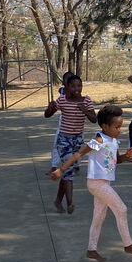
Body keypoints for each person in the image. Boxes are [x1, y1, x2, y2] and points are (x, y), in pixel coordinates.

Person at [51, 105, 132, 262]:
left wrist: (126, 156)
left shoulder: (113, 140)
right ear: (104, 126)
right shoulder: (98, 140)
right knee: (121, 209)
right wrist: (61, 169)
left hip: (104, 183)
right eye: (116, 127)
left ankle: (92, 250)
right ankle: (128, 244)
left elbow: (117, 161)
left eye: (120, 127)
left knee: (99, 217)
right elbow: (78, 153)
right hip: (96, 183)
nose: (119, 130)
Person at [44, 74, 97, 214]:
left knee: (67, 171)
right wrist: (50, 108)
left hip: (78, 140)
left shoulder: (86, 101)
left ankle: (57, 200)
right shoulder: (62, 100)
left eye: (79, 86)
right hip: (64, 140)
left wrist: (85, 110)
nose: (76, 89)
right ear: (66, 87)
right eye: (73, 86)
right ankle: (70, 202)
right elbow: (47, 114)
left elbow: (94, 119)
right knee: (68, 171)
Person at [49, 72, 75, 176]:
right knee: (56, 144)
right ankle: (54, 166)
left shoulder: (77, 94)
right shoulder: (62, 93)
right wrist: (51, 108)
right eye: (67, 80)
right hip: (63, 125)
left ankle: (74, 165)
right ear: (64, 82)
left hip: (76, 125)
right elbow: (51, 111)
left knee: (75, 146)